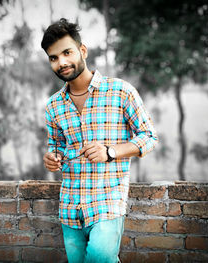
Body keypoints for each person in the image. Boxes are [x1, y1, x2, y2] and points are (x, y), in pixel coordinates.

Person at [41, 18, 158, 263]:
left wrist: (110, 151)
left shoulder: (120, 91)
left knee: (99, 259)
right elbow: (56, 147)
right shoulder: (53, 106)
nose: (61, 62)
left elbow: (148, 137)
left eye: (67, 52)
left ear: (82, 51)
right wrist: (53, 158)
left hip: (107, 202)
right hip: (70, 207)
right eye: (53, 57)